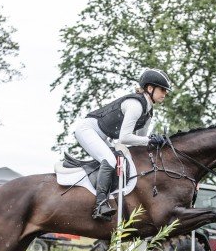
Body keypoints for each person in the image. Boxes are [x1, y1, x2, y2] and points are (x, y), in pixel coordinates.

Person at [71, 69, 171, 221]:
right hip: (87, 130)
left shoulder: (148, 113)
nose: (165, 93)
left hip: (102, 135)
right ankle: (100, 205)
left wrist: (156, 144)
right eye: (162, 89)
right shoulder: (136, 105)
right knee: (111, 161)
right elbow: (124, 138)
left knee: (123, 161)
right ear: (150, 88)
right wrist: (151, 139)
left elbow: (139, 141)